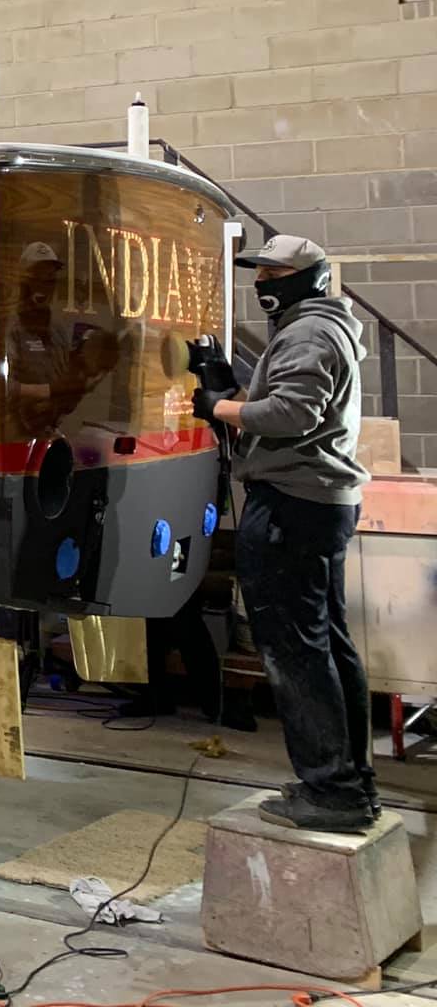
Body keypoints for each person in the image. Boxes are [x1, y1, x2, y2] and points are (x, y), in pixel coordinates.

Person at [194, 233, 373, 832]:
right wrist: (231, 388)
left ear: (308, 278)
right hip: (318, 503)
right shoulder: (317, 327)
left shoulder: (308, 332)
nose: (261, 283)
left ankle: (330, 793)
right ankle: (348, 783)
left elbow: (292, 414)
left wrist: (218, 407)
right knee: (327, 645)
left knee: (294, 651)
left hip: (292, 504)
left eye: (272, 275)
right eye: (259, 273)